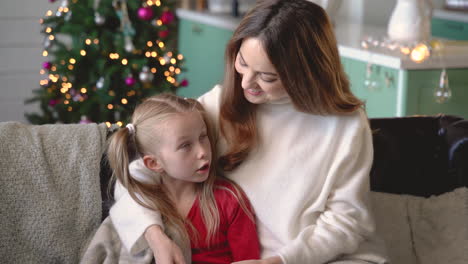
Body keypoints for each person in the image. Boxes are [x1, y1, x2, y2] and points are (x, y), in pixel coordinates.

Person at [110, 0, 389, 263]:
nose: (246, 84)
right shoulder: (219, 106)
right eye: (242, 63)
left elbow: (347, 223)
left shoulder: (346, 125)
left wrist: (281, 260)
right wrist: (155, 236)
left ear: (306, 74)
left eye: (267, 77)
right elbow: (135, 173)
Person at [106, 94, 260, 263]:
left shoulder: (229, 201)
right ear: (153, 163)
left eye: (203, 136)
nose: (202, 151)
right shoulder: (144, 202)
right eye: (185, 145)